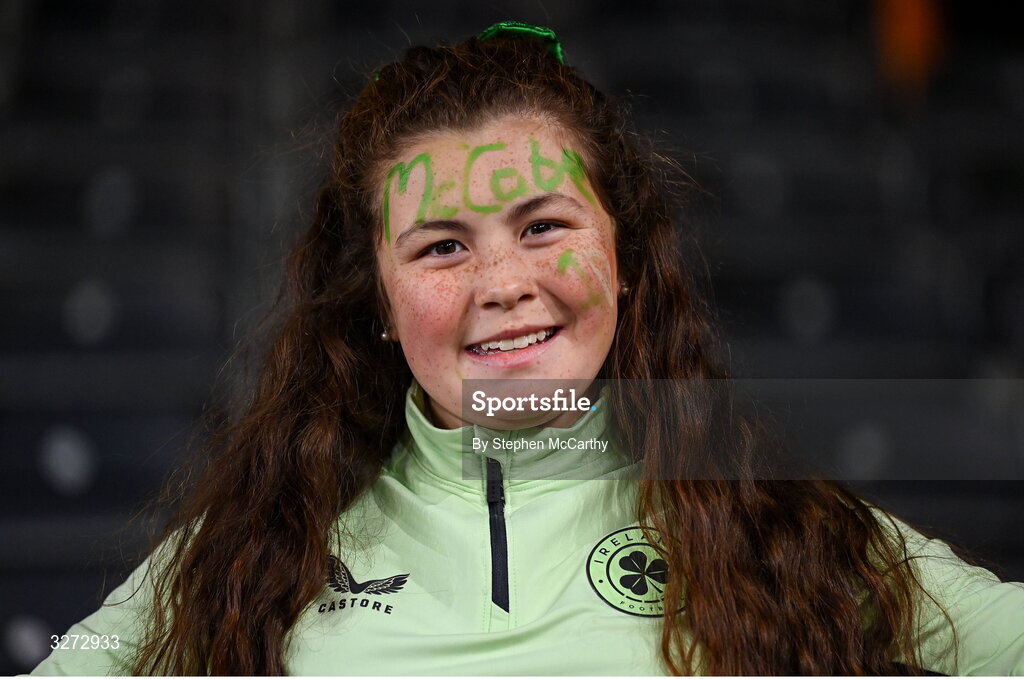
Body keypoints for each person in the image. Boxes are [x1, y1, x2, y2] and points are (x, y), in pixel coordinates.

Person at [30, 22, 1024, 676]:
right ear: (376, 300)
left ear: (624, 255)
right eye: (443, 246)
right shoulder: (248, 549)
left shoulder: (775, 523)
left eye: (543, 225)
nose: (503, 282)